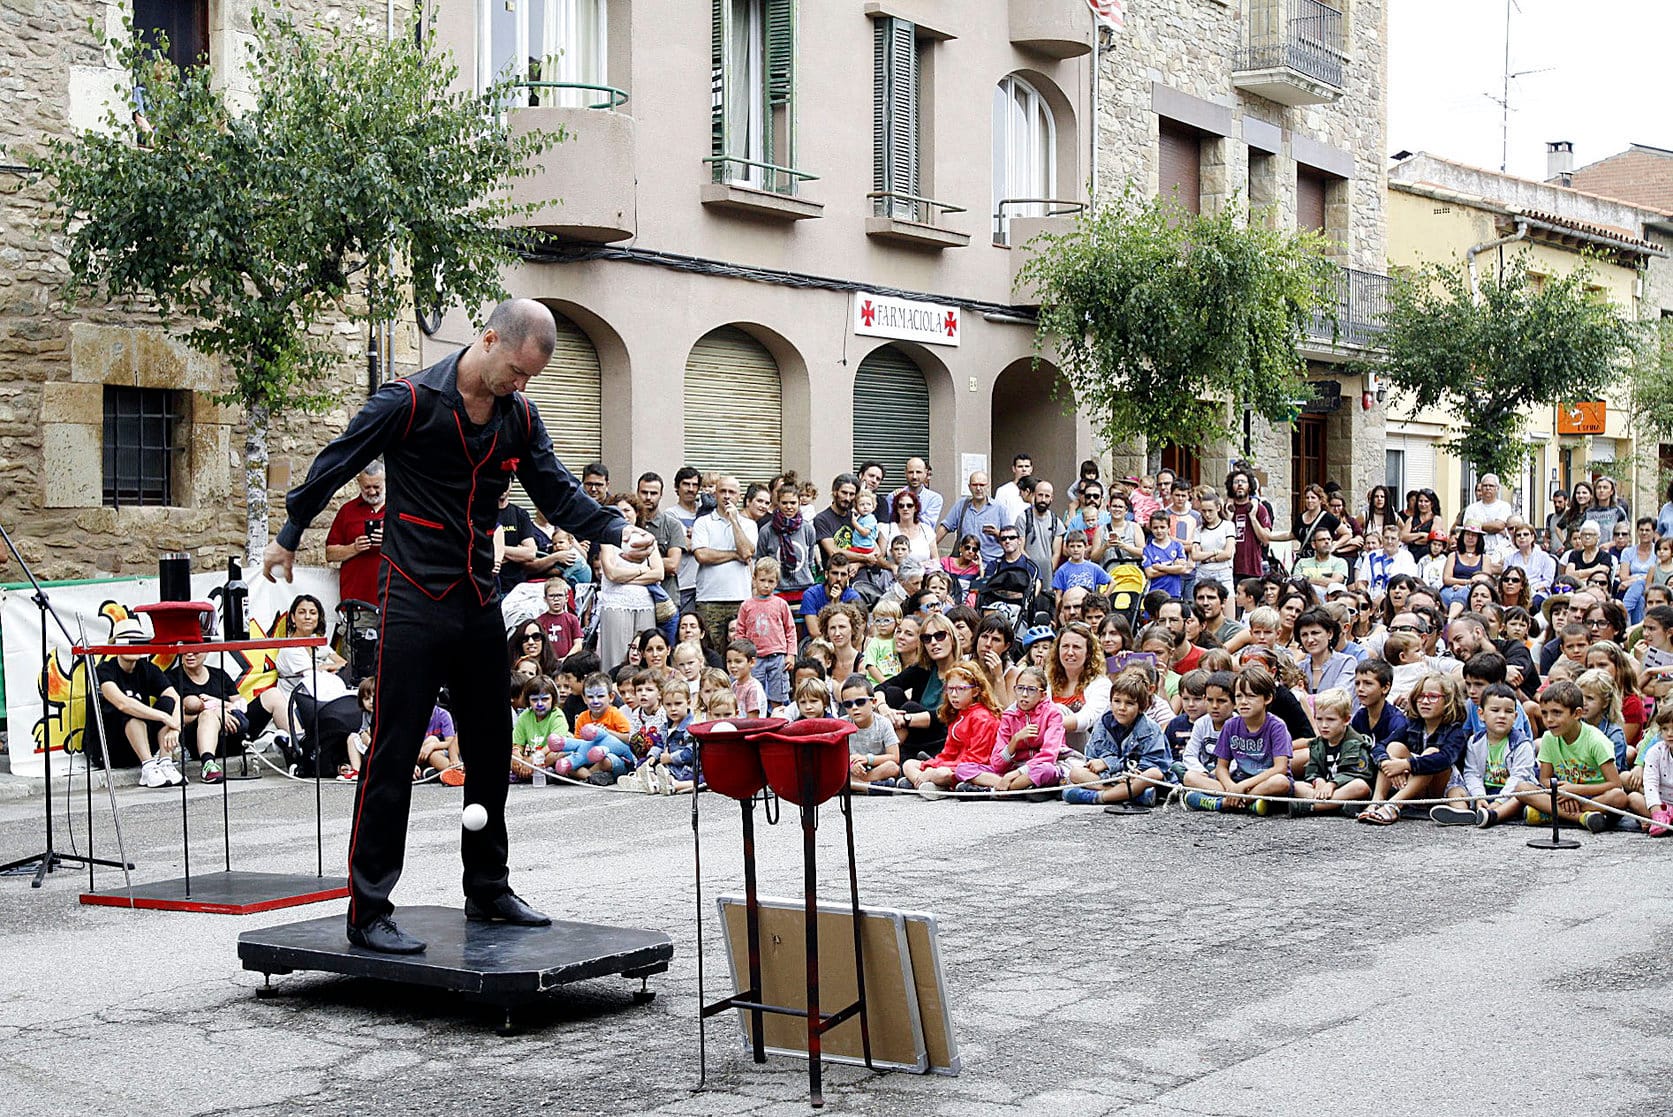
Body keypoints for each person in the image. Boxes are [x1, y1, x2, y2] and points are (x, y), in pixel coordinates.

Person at [262, 298, 655, 954]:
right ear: (489, 338)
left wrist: (617, 528)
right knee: (391, 750)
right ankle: (368, 909)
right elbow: (337, 457)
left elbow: (555, 491)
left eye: (531, 377)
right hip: (413, 598)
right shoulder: (410, 401)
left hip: (477, 598)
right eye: (515, 370)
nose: (520, 386)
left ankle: (488, 887)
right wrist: (289, 532)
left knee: (492, 744)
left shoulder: (519, 417)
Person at [1358, 672, 1469, 825]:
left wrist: (1406, 764)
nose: (1425, 701)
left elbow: (1444, 760)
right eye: (1421, 696)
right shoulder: (1411, 724)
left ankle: (1393, 805)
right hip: (1414, 788)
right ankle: (1377, 802)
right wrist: (1386, 762)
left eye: (1433, 697)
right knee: (1394, 747)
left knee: (1432, 753)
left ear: (1448, 701)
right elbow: (1380, 746)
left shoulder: (1455, 731)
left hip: (1442, 787)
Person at [89, 618, 183, 787]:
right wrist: (164, 717)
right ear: (117, 645)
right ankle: (148, 767)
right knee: (131, 713)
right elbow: (122, 703)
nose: (133, 646)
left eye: (137, 641)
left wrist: (175, 728)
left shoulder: (148, 669)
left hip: (142, 742)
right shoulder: (105, 670)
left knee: (167, 702)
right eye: (128, 640)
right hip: (112, 747)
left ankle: (165, 762)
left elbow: (176, 698)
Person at [1430, 682, 1539, 828]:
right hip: (1484, 791)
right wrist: (1480, 797)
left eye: (1508, 711)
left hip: (1510, 792)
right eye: (1495, 710)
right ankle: (1462, 812)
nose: (1502, 716)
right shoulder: (1474, 741)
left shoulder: (1521, 743)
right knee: (1456, 789)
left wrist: (1499, 801)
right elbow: (1472, 773)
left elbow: (1519, 776)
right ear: (1481, 714)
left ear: (1515, 716)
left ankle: (1494, 815)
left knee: (1521, 797)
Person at [1531, 680, 1628, 831]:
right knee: (1521, 788)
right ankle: (1581, 817)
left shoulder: (1596, 740)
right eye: (1544, 713)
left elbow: (1615, 784)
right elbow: (1544, 778)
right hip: (1563, 795)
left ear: (1577, 714)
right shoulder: (1549, 738)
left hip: (1594, 796)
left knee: (1619, 797)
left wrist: (1575, 791)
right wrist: (1563, 791)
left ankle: (1553, 813)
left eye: (1557, 713)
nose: (1549, 719)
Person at [1063, 669, 1168, 806]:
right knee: (1076, 773)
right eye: (1117, 701)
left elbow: (1155, 764)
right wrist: (1110, 771)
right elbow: (1092, 758)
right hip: (1109, 777)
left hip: (1135, 777)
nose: (1121, 708)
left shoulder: (1150, 729)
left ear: (1141, 707)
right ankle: (1133, 796)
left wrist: (1112, 765)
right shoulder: (1103, 723)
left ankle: (1100, 797)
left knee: (1153, 774)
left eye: (1129, 703)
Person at [901, 663, 1002, 797]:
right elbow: (948, 752)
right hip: (953, 765)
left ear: (975, 691)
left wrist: (937, 769)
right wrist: (933, 765)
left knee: (941, 773)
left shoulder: (983, 718)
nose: (954, 694)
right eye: (950, 689)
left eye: (960, 689)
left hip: (973, 768)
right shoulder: (958, 714)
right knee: (909, 764)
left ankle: (926, 784)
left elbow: (977, 759)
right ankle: (927, 785)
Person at [1204, 664, 1294, 813]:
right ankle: (1242, 801)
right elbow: (1221, 766)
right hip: (1238, 780)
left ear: (1267, 698)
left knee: (1280, 782)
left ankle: (1227, 802)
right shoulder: (1231, 725)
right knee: (1191, 777)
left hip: (1264, 782)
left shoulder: (1277, 726)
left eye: (1251, 696)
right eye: (1239, 696)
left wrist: (1243, 787)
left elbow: (1280, 768)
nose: (1244, 702)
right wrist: (1231, 787)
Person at [596, 492, 665, 670]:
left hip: (644, 603)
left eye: (627, 510)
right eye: (617, 511)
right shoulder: (606, 539)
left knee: (646, 654)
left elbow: (658, 573)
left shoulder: (647, 538)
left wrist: (625, 577)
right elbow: (611, 574)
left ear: (637, 513)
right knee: (617, 656)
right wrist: (642, 570)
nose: (623, 514)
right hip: (616, 603)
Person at [692, 475, 758, 650]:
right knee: (711, 650)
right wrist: (733, 555)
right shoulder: (703, 522)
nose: (727, 496)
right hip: (709, 598)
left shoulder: (749, 525)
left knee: (740, 651)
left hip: (740, 598)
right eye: (723, 491)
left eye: (732, 492)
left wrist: (734, 521)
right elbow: (702, 555)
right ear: (715, 494)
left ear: (739, 496)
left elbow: (745, 552)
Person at [976, 666, 1066, 793]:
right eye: (1020, 688)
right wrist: (1015, 740)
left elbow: (1049, 756)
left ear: (1043, 695)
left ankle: (997, 790)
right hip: (1014, 767)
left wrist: (1014, 775)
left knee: (1046, 770)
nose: (1024, 694)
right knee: (964, 769)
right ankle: (1019, 787)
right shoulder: (1009, 715)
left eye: (1031, 690)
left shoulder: (1053, 713)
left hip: (1040, 766)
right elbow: (996, 763)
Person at [1289, 687, 1375, 816]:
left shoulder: (1356, 743)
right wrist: (1318, 781)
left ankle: (1312, 807)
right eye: (1319, 719)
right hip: (1325, 790)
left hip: (1344, 787)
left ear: (1346, 720)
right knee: (1296, 786)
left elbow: (1359, 774)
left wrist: (1332, 784)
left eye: (1330, 720)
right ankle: (1336, 805)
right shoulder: (1317, 744)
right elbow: (1312, 770)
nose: (1324, 725)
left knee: (1359, 786)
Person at [170, 647, 246, 784]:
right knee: (207, 715)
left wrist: (219, 705)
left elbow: (239, 706)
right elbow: (174, 718)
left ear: (206, 651)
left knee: (272, 696)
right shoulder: (173, 678)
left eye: (195, 651)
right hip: (197, 741)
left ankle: (295, 746)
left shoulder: (219, 674)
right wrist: (209, 713)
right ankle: (208, 765)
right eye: (185, 651)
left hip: (232, 732)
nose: (189, 655)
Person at [323, 462, 387, 606]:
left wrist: (389, 541)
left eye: (376, 487)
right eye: (367, 487)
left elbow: (415, 549)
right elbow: (330, 554)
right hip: (357, 601)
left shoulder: (398, 510)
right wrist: (354, 548)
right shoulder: (347, 511)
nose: (371, 492)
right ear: (359, 482)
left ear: (386, 481)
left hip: (392, 602)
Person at [737, 557, 797, 707]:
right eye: (762, 580)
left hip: (777, 657)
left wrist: (790, 654)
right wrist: (741, 656)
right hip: (754, 658)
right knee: (755, 697)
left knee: (778, 697)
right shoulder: (746, 606)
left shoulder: (781, 604)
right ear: (754, 579)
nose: (766, 585)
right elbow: (740, 632)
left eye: (771, 581)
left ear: (776, 582)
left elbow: (790, 629)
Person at [841, 676, 904, 791]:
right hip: (851, 769)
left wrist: (867, 759)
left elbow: (895, 757)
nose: (854, 708)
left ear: (873, 702)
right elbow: (835, 757)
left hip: (875, 768)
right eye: (848, 704)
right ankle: (872, 787)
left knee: (892, 767)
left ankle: (858, 785)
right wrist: (850, 765)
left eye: (860, 702)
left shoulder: (884, 723)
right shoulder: (842, 725)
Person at [938, 471, 1009, 566]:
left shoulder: (1000, 508)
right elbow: (945, 527)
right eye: (975, 485)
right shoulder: (961, 505)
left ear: (988, 486)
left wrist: (997, 533)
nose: (978, 488)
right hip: (966, 565)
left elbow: (1011, 537)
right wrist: (929, 548)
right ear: (969, 487)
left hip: (991, 564)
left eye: (982, 485)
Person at [1224, 469, 1273, 582]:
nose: (1240, 484)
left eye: (1243, 482)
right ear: (1231, 487)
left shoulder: (1260, 509)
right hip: (1228, 570)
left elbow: (1266, 540)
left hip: (1252, 569)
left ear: (1250, 487)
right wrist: (1228, 518)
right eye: (1236, 482)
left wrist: (1252, 517)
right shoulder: (1225, 509)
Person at [1462, 473, 1515, 561]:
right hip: (1477, 550)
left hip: (1500, 550)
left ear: (1497, 488)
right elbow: (1468, 528)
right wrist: (1494, 527)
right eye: (1485, 485)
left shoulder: (1504, 506)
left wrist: (1478, 526)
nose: (1488, 488)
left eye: (1491, 486)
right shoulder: (1471, 508)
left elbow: (1499, 525)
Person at [532, 577, 582, 659]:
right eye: (551, 596)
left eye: (559, 595)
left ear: (566, 598)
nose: (556, 599)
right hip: (546, 662)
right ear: (545, 599)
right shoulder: (539, 621)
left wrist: (566, 659)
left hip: (567, 663)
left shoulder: (573, 619)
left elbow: (578, 644)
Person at [993, 452, 1033, 523]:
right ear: (1014, 469)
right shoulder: (1003, 490)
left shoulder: (1037, 490)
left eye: (1027, 466)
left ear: (1031, 469)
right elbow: (997, 515)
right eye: (1020, 466)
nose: (1024, 469)